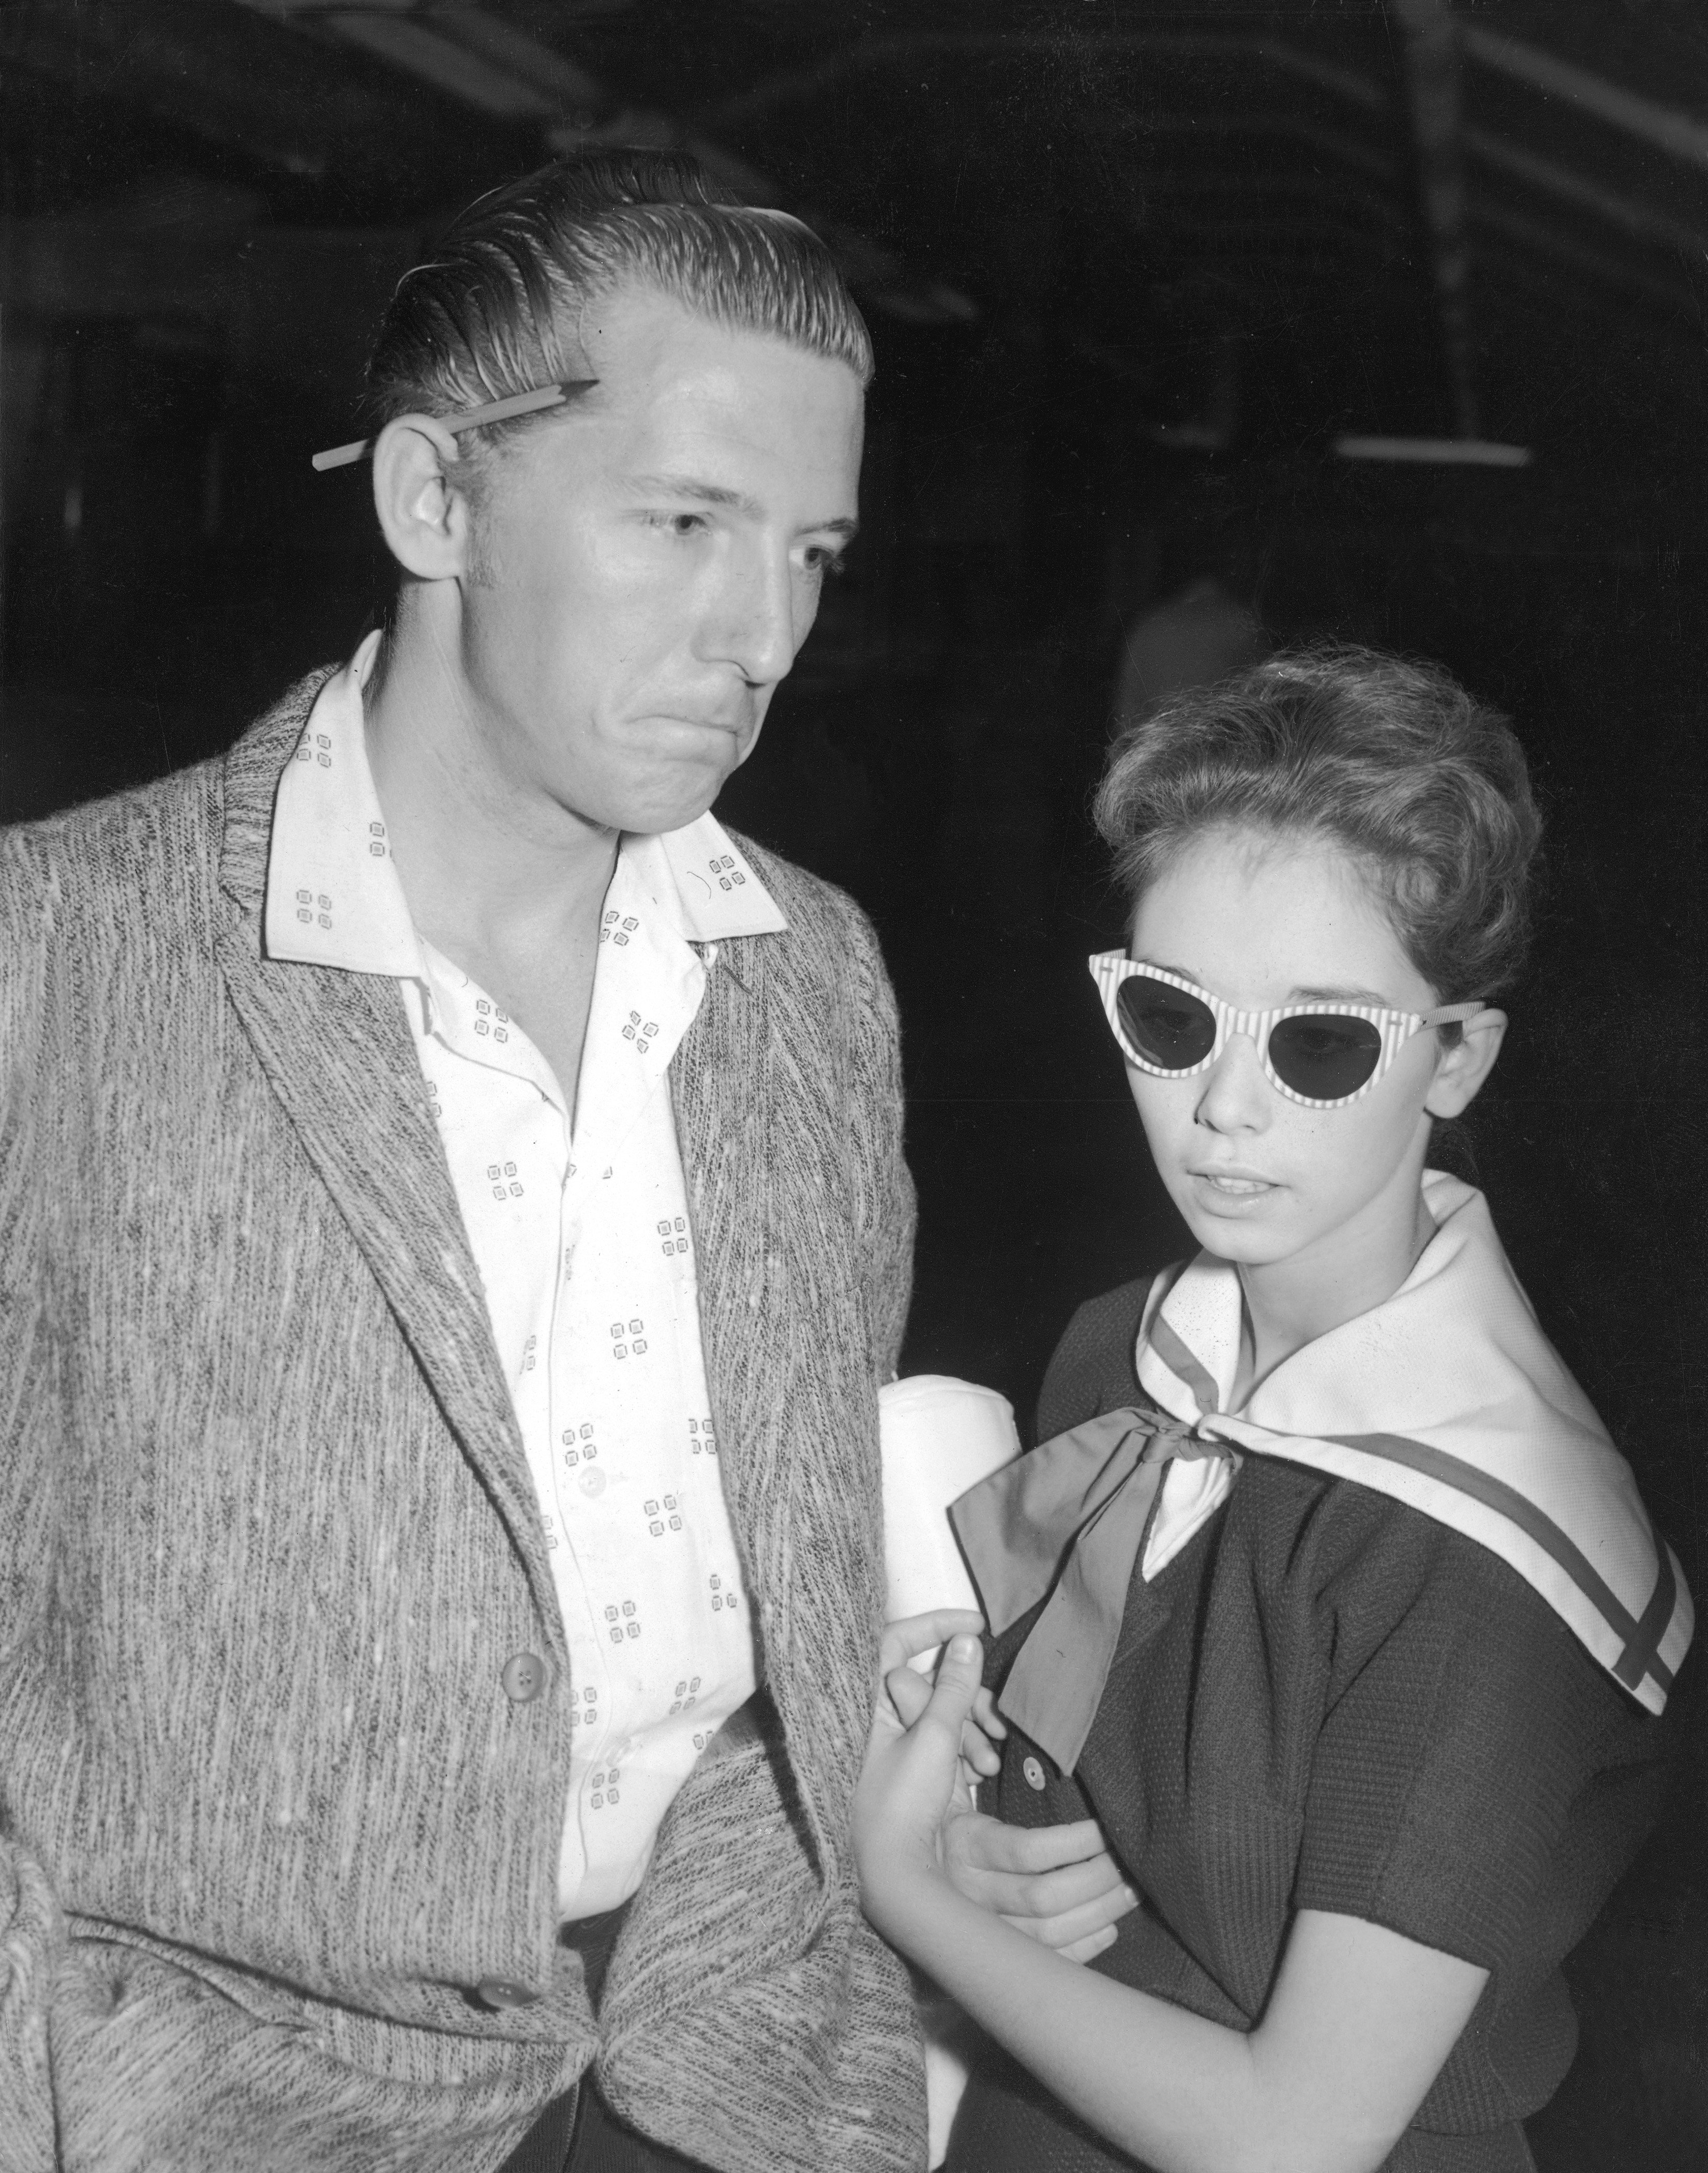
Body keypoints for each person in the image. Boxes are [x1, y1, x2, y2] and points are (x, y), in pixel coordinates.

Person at [0, 151, 1131, 2173]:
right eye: (685, 523)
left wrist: (946, 1786)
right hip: (234, 2103)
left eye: (812, 552)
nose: (763, 629)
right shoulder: (61, 962)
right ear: (437, 502)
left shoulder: (812, 983)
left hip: (742, 2067)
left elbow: (795, 1528)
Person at [854, 646, 1691, 2173]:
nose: (1225, 1109)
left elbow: (1294, 2138)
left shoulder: (1489, 1561)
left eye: (1319, 1042)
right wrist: (988, 1859)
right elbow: (1053, 1800)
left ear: (1457, 1057)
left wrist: (899, 1885)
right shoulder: (1124, 1353)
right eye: (1175, 1022)